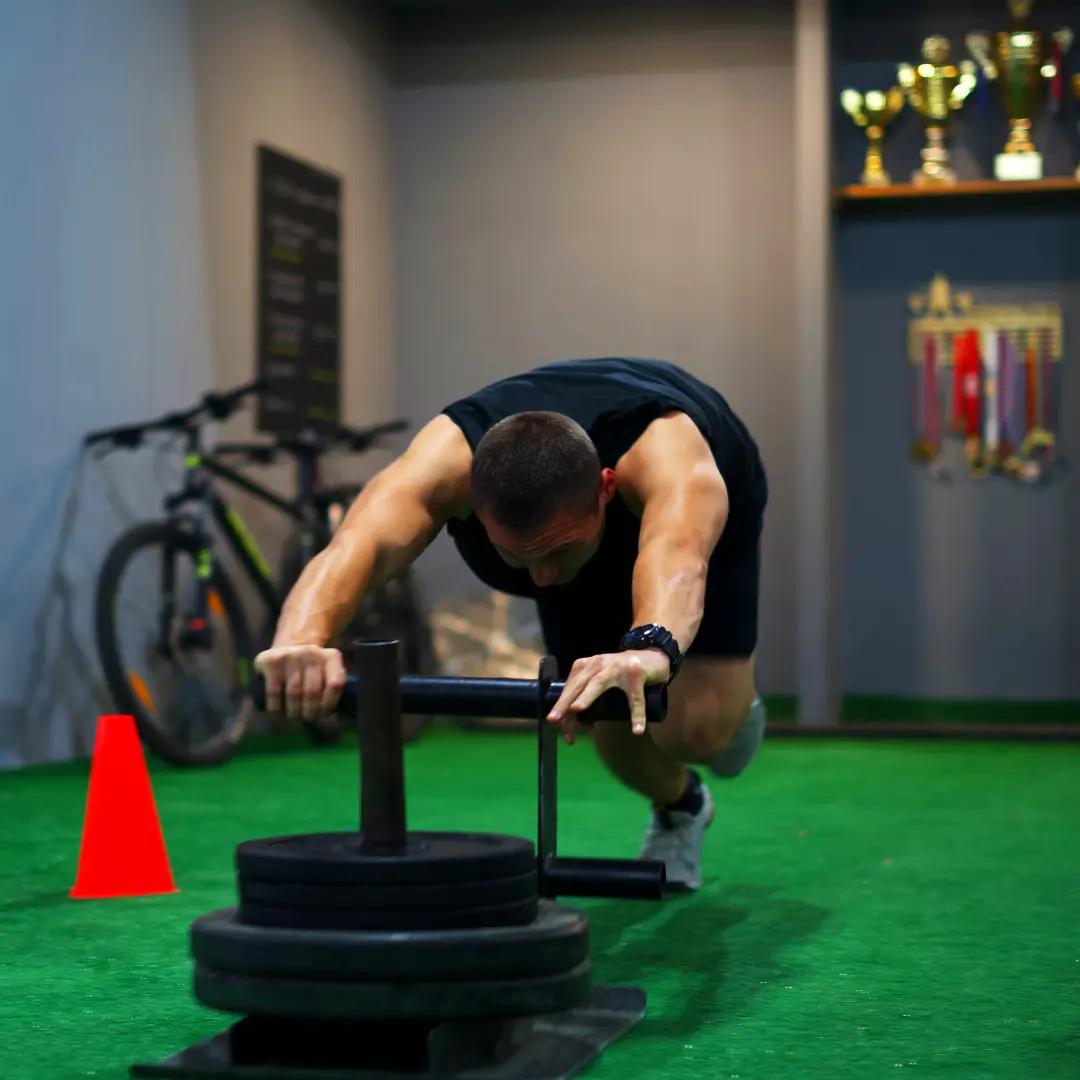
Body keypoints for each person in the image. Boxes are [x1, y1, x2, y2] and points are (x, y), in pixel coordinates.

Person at [256, 357, 768, 891]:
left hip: (703, 522)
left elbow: (679, 553)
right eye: (517, 556)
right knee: (615, 727)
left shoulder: (668, 453)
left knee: (699, 733)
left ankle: (733, 704)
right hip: (588, 539)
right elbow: (356, 547)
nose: (542, 581)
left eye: (556, 552)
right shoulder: (443, 465)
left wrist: (648, 647)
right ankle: (682, 808)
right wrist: (298, 642)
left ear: (606, 488)